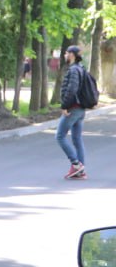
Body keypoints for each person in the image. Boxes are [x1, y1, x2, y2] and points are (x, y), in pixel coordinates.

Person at [57, 44, 89, 180]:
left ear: (72, 55)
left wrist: (64, 106)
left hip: (74, 108)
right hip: (81, 109)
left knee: (60, 136)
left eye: (66, 53)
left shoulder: (74, 70)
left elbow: (72, 89)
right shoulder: (81, 69)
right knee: (77, 139)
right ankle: (81, 171)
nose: (65, 55)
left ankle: (76, 164)